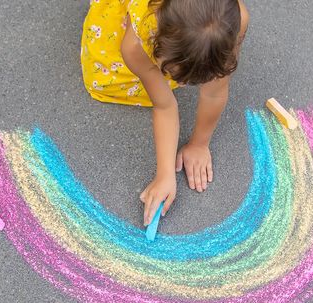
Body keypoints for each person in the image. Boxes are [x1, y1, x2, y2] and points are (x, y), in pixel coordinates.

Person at [81, 0, 249, 226]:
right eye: (175, 74)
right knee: (107, 79)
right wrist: (165, 174)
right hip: (140, 30)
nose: (183, 84)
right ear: (156, 38)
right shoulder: (135, 42)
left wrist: (199, 144)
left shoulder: (235, 20)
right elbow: (165, 105)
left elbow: (215, 92)